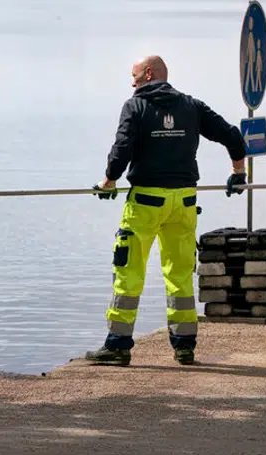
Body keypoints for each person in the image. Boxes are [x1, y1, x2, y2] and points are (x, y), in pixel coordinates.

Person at [85, 55, 247, 367]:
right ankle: (184, 347)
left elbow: (122, 149)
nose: (131, 82)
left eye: (134, 75)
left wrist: (109, 181)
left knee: (129, 272)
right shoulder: (191, 106)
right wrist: (238, 173)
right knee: (180, 274)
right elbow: (232, 135)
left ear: (148, 74)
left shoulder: (135, 106)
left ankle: (118, 346)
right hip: (184, 202)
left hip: (146, 203)